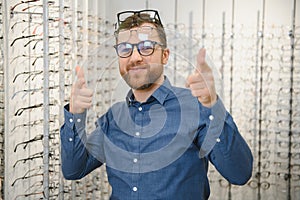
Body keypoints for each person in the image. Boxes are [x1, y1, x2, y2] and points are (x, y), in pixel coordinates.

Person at [60, 9, 253, 200]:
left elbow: (239, 173)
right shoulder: (114, 117)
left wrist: (212, 106)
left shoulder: (195, 108)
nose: (135, 57)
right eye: (125, 48)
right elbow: (74, 170)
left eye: (146, 47)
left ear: (165, 55)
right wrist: (75, 115)